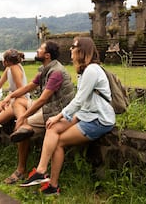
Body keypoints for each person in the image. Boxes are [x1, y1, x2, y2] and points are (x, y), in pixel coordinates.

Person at [19, 37, 115, 196]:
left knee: (58, 142)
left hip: (99, 119)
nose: (70, 49)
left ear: (82, 50)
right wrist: (62, 119)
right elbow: (83, 104)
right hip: (86, 114)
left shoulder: (92, 70)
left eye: (74, 47)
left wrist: (59, 116)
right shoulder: (84, 71)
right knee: (52, 127)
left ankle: (53, 185)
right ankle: (42, 171)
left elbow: (79, 101)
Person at [0, 41, 74, 185]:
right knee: (18, 104)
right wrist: (10, 96)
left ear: (47, 55)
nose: (37, 50)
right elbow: (29, 86)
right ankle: (22, 133)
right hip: (48, 108)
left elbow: (42, 100)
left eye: (40, 49)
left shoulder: (56, 72)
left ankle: (21, 169)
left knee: (21, 128)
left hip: (57, 112)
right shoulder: (45, 69)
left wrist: (23, 116)